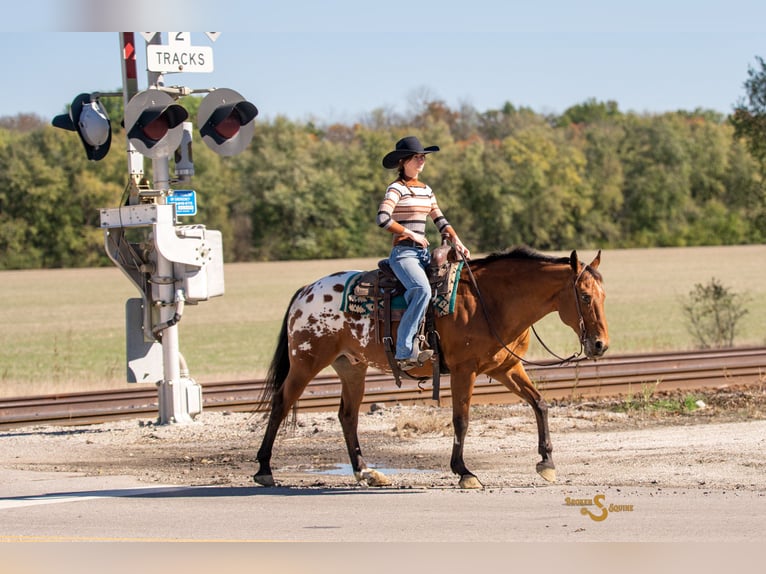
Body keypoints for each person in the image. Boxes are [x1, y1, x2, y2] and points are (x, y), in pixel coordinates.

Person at [377, 136, 470, 370]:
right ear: (403, 161)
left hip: (423, 255)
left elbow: (440, 219)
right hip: (403, 254)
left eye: (423, 157)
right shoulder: (396, 188)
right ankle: (404, 351)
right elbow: (383, 218)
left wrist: (457, 240)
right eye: (417, 157)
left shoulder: (427, 190)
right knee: (421, 289)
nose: (422, 161)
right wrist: (411, 233)